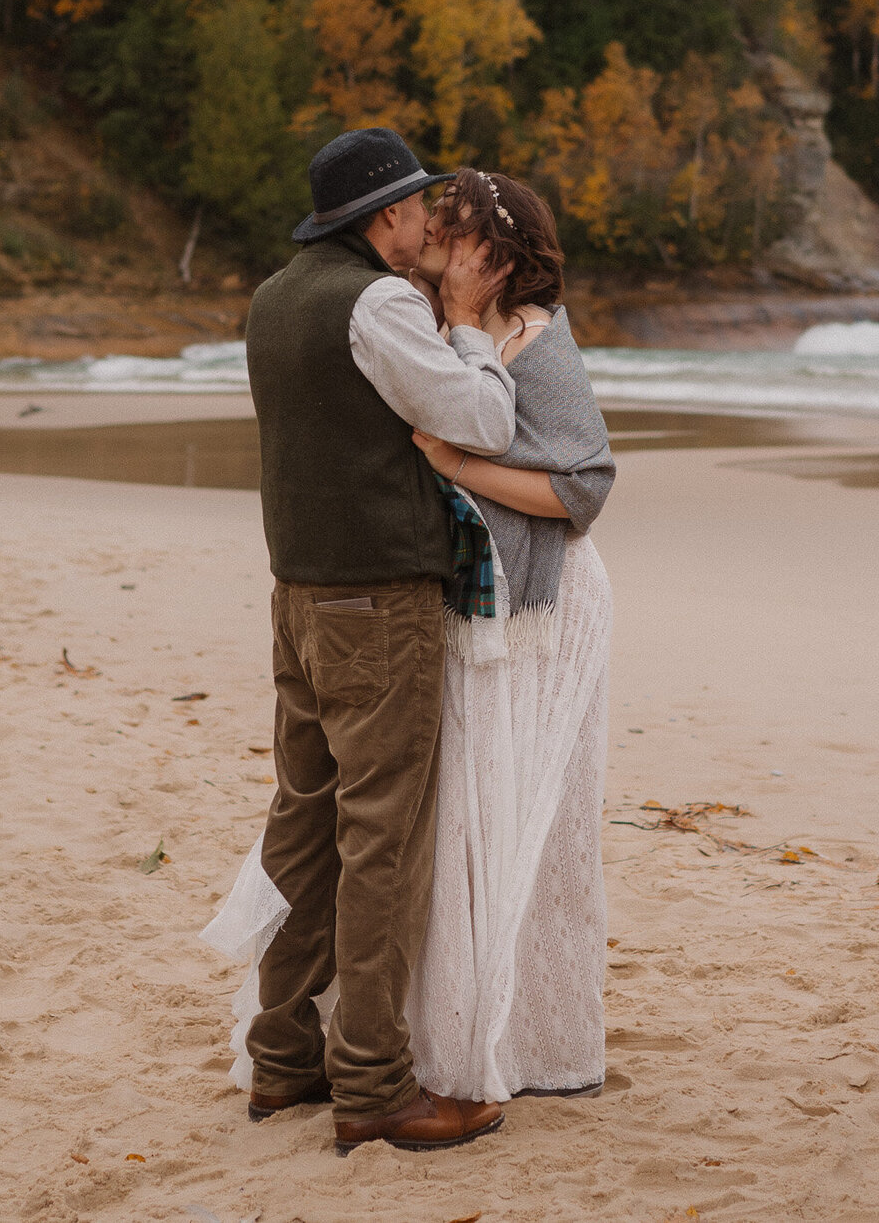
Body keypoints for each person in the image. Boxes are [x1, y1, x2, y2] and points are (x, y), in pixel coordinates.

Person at [203, 128, 513, 1156]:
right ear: (385, 218)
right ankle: (374, 1084)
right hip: (377, 604)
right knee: (381, 835)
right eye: (423, 204)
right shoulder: (376, 301)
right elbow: (480, 420)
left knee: (304, 819)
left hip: (297, 594)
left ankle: (284, 1057)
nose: (433, 220)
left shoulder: (273, 296)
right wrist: (469, 325)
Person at [405, 166, 616, 1103]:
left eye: (445, 234)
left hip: (545, 608)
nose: (426, 244)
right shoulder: (439, 332)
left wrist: (457, 462)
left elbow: (583, 489)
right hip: (478, 604)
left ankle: (531, 1036)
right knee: (466, 809)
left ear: (490, 254)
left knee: (525, 810)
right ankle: (452, 1021)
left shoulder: (535, 342)